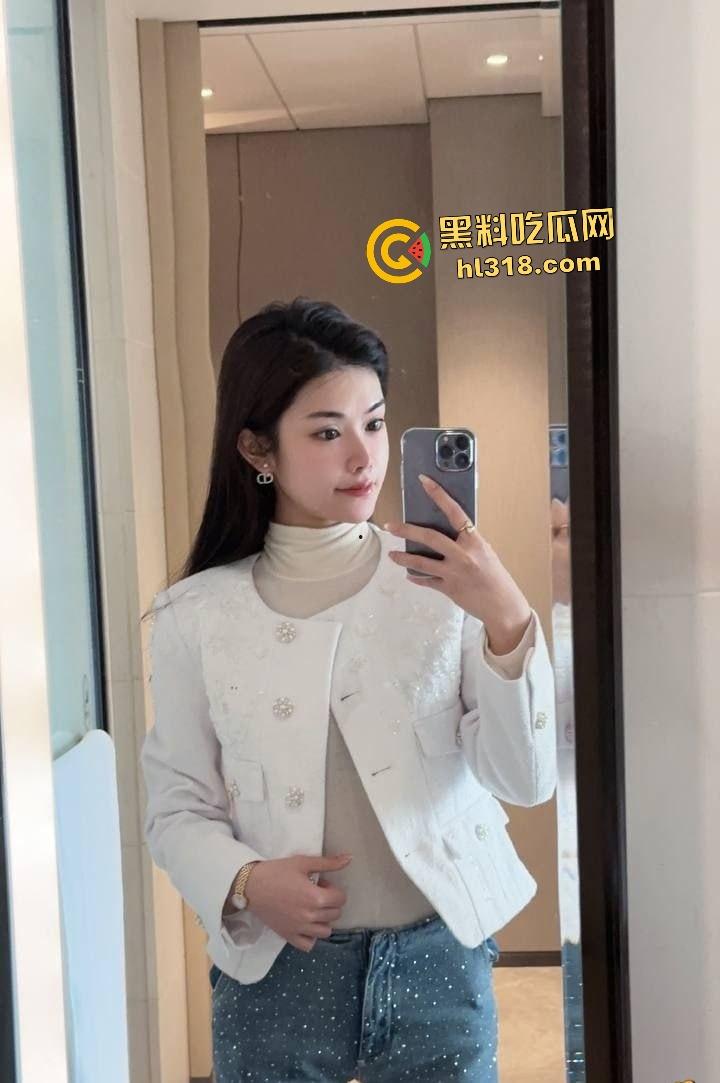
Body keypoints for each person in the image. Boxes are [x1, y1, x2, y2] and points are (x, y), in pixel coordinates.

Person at [140, 297, 557, 1083]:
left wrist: (506, 615)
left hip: (439, 960)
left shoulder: (441, 589)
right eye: (328, 432)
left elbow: (524, 779)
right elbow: (175, 807)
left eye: (375, 423)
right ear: (257, 447)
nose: (364, 457)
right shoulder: (195, 615)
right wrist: (246, 880)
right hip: (277, 968)